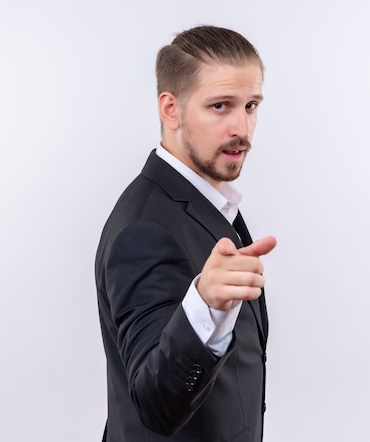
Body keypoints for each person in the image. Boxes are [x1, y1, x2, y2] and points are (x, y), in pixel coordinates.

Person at [95, 25, 277, 442]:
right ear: (171, 109)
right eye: (220, 106)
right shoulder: (144, 229)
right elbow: (154, 404)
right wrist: (205, 305)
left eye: (250, 106)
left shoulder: (212, 201)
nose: (242, 128)